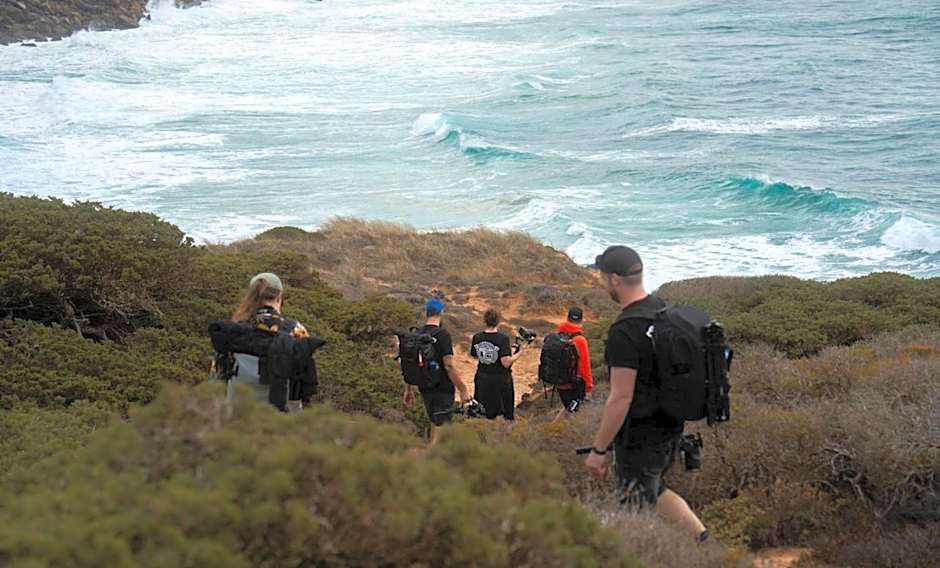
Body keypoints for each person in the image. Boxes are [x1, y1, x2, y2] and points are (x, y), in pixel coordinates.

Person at [583, 246, 709, 543]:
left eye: (602, 277)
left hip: (640, 436)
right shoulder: (664, 311)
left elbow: (621, 397)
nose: (602, 282)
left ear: (614, 279)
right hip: (670, 428)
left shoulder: (625, 330)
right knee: (655, 488)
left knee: (634, 513)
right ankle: (703, 541)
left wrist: (599, 450)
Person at [210, 272, 322, 412]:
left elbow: (215, 377)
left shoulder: (233, 331)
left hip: (236, 414)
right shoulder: (296, 330)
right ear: (279, 297)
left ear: (251, 297)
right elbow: (307, 379)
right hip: (282, 417)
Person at [403, 298, 472, 444]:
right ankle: (432, 456)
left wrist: (408, 389)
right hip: (443, 388)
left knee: (435, 423)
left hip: (424, 386)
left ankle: (430, 451)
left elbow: (409, 363)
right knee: (442, 431)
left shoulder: (417, 334)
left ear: (426, 313)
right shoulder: (442, 335)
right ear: (441, 312)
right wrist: (463, 390)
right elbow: (449, 366)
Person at [470, 309, 524, 420]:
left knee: (482, 412)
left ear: (485, 321)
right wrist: (519, 353)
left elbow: (475, 355)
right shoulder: (502, 339)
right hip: (500, 379)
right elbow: (506, 363)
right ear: (498, 321)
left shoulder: (477, 337)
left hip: (482, 377)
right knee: (505, 412)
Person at [554, 306, 594, 411]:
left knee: (570, 409)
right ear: (581, 320)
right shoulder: (580, 340)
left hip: (559, 383)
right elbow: (585, 367)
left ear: (567, 318)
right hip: (573, 385)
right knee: (576, 413)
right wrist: (589, 388)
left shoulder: (558, 334)